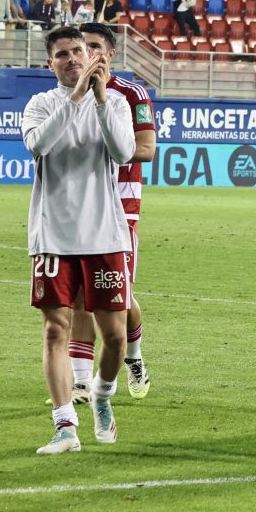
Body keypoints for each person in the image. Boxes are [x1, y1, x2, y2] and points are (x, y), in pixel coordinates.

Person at [20, 25, 135, 455]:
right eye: (63, 53)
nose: (73, 58)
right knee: (55, 331)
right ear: (50, 63)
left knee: (116, 338)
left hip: (104, 235)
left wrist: (99, 98)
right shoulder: (40, 105)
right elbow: (40, 145)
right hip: (52, 237)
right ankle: (65, 425)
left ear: (92, 57)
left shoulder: (117, 102)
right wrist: (76, 98)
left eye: (79, 51)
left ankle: (102, 395)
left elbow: (124, 153)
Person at [75, 23, 158, 399]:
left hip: (121, 209)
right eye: (81, 47)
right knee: (78, 295)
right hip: (77, 206)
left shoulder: (132, 93)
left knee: (117, 297)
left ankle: (134, 357)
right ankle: (78, 381)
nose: (86, 53)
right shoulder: (67, 93)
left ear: (110, 54)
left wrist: (110, 142)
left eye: (93, 46)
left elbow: (146, 149)